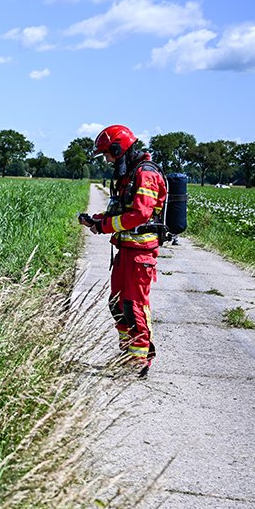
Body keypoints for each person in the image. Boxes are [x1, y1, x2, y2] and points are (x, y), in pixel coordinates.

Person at [79, 125, 168, 379]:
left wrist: (105, 226)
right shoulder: (128, 175)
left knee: (134, 305)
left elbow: (140, 214)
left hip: (141, 254)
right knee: (117, 303)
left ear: (119, 149)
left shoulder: (145, 175)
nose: (107, 159)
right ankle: (128, 353)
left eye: (108, 154)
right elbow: (120, 212)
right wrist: (95, 220)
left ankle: (140, 361)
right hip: (125, 250)